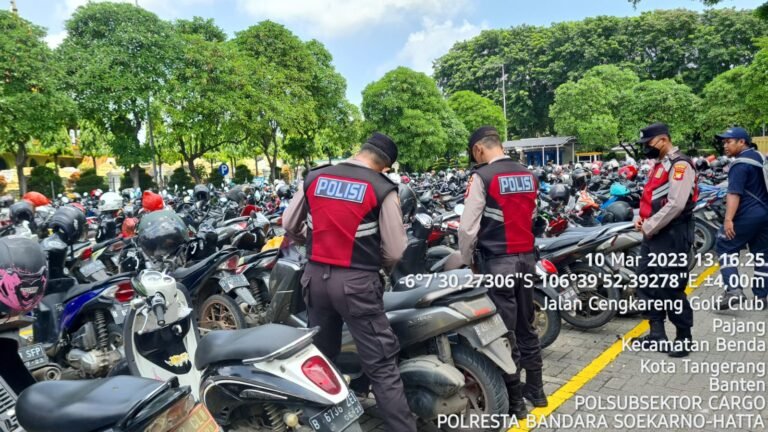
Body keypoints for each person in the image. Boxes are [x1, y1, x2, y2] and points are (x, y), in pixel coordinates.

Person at [282, 133, 416, 432]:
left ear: (361, 151)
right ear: (385, 166)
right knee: (381, 366)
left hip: (315, 278)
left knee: (321, 358)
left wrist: (315, 241)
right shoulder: (382, 188)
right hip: (358, 284)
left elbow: (290, 224)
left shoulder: (315, 177)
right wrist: (372, 265)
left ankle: (317, 421)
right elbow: (395, 250)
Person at [458, 126, 545, 418]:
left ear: (480, 149)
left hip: (498, 264)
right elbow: (533, 216)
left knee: (504, 333)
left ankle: (516, 401)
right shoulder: (528, 174)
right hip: (526, 262)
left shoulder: (482, 177)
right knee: (527, 326)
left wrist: (469, 260)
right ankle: (537, 389)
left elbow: (467, 229)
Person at [633, 122, 698, 358]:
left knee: (671, 287)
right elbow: (652, 198)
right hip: (654, 235)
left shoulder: (680, 164)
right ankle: (656, 335)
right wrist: (640, 219)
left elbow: (677, 204)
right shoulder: (660, 165)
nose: (645, 148)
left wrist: (649, 225)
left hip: (672, 235)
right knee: (647, 284)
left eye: (648, 143)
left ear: (662, 140)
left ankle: (683, 337)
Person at [714, 127, 768, 310]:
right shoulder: (761, 158)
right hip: (764, 214)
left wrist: (728, 219)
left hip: (746, 214)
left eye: (729, 142)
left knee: (724, 246)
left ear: (742, 142)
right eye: (724, 142)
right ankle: (761, 297)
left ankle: (733, 289)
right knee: (762, 256)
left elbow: (734, 193)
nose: (725, 146)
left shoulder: (739, 164)